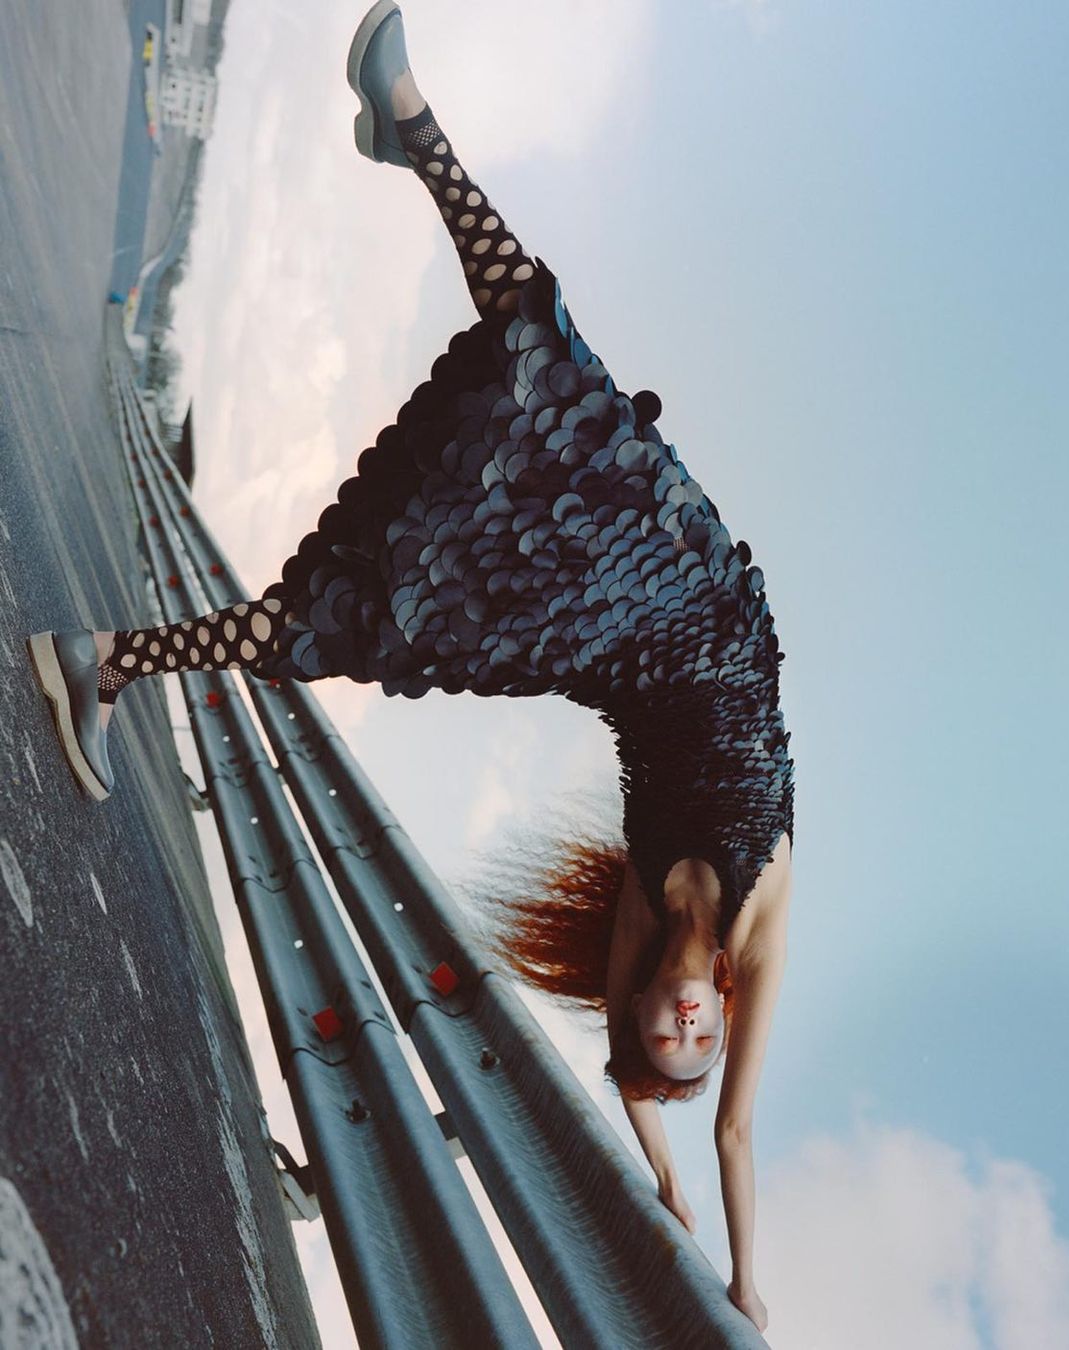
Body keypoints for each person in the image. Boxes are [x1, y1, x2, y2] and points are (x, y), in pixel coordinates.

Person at [28, 3, 792, 1330]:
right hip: (696, 597)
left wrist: (652, 1164)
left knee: (369, 621)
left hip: (608, 636)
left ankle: (105, 660)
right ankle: (415, 127)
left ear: (639, 1010)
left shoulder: (636, 928)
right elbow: (731, 1133)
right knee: (555, 380)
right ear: (721, 1014)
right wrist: (742, 1274)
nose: (681, 1027)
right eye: (700, 1038)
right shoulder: (757, 933)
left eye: (658, 1034)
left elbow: (645, 1090)